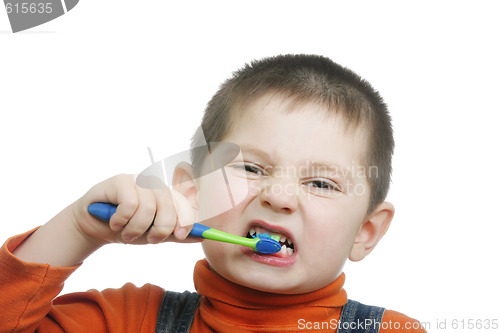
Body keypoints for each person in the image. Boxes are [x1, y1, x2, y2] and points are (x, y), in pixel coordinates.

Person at [0, 54, 426, 332]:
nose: (279, 197)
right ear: (191, 191)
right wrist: (79, 229)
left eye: (320, 183)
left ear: (366, 231)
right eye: (252, 168)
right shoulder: (126, 320)